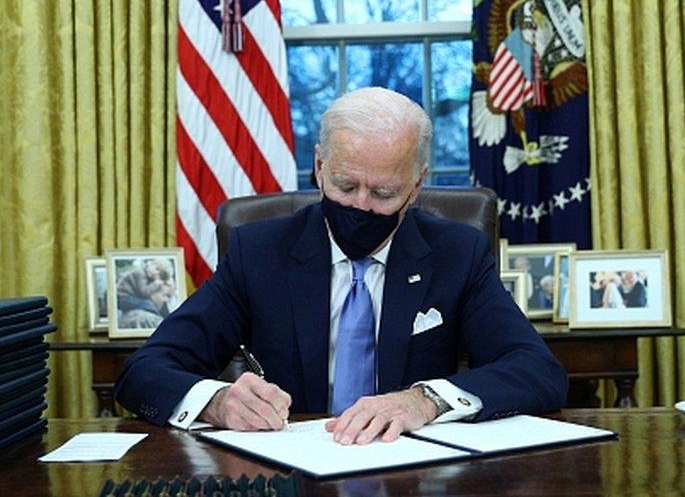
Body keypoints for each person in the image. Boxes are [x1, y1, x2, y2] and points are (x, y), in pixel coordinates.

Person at [114, 87, 568, 446]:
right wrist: (216, 402)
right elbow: (145, 370)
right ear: (318, 166)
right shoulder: (260, 252)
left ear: (416, 186)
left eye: (385, 193)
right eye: (345, 184)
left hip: (415, 480)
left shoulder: (456, 254)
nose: (361, 206)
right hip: (291, 477)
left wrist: (425, 400)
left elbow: (537, 370)